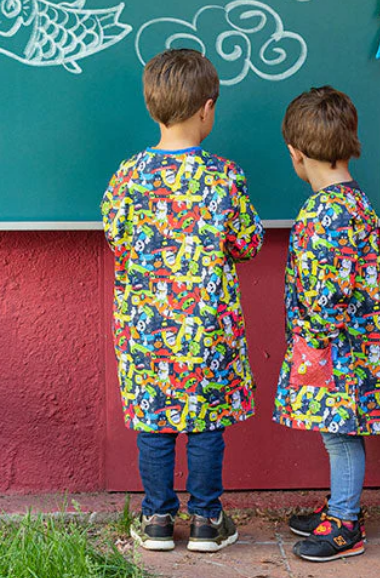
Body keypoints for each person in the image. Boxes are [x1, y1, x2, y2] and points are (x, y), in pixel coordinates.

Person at [101, 49, 263, 553]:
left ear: (153, 109)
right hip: (206, 325)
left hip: (145, 325)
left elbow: (117, 238)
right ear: (207, 108)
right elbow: (248, 243)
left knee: (154, 420)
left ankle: (155, 519)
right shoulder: (225, 176)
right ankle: (207, 522)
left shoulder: (128, 175)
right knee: (205, 421)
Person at [274, 86, 380, 562]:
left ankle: (346, 523)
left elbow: (326, 290)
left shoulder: (323, 213)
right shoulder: (355, 201)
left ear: (298, 153)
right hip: (353, 343)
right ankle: (338, 507)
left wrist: (312, 344)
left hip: (335, 347)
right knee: (340, 429)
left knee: (340, 433)